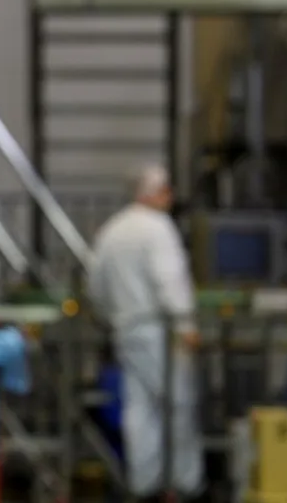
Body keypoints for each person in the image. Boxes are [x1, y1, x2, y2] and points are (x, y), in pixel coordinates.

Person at [86, 165, 205, 502]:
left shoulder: (113, 230)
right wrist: (187, 326)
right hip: (161, 332)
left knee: (139, 409)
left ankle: (144, 484)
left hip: (127, 331)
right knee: (177, 406)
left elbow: (96, 287)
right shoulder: (157, 229)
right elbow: (169, 280)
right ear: (156, 192)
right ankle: (184, 485)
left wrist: (114, 318)